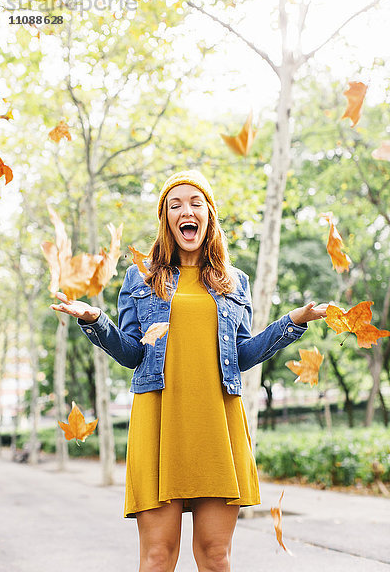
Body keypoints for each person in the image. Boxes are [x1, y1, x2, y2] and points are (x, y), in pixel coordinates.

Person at [51, 169, 327, 572]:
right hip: (159, 422)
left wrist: (292, 322)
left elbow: (243, 354)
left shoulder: (235, 282)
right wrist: (96, 320)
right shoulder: (141, 276)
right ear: (166, 219)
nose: (186, 210)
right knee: (158, 557)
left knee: (216, 557)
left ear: (209, 215)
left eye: (195, 203)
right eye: (175, 204)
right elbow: (132, 353)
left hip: (217, 424)